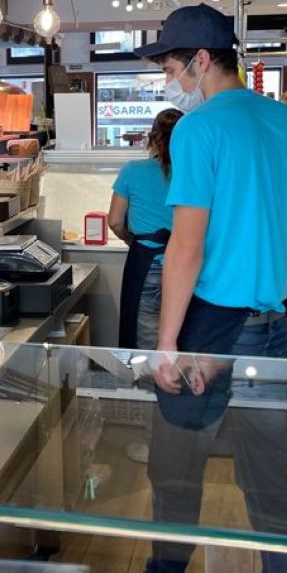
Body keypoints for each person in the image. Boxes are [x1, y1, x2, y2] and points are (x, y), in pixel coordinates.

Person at [83, 4, 287, 573]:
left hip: (210, 331)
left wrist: (166, 343)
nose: (169, 78)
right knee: (270, 488)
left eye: (170, 66)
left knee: (175, 475)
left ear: (202, 60)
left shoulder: (199, 130)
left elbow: (186, 246)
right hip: (272, 326)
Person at [110, 107, 183, 464]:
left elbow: (114, 220)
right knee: (181, 348)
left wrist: (135, 243)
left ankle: (153, 443)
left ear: (152, 137)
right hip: (186, 268)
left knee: (144, 353)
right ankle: (181, 440)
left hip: (146, 266)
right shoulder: (196, 173)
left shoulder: (132, 171)